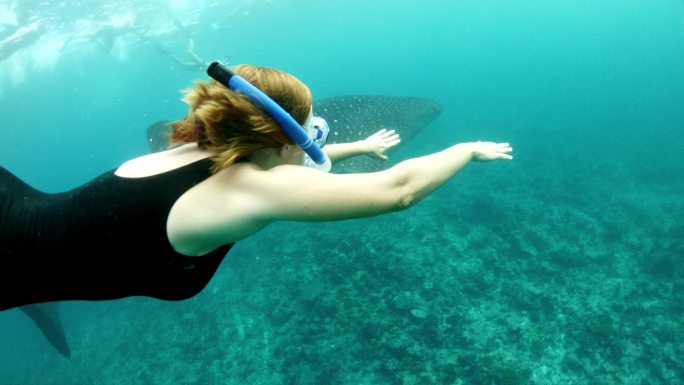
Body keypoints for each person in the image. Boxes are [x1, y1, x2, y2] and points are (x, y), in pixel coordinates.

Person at [0, 62, 512, 311]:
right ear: (279, 138)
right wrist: (466, 150)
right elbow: (398, 191)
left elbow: (281, 164)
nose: (318, 139)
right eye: (312, 130)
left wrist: (357, 148)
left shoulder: (198, 145)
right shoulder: (247, 190)